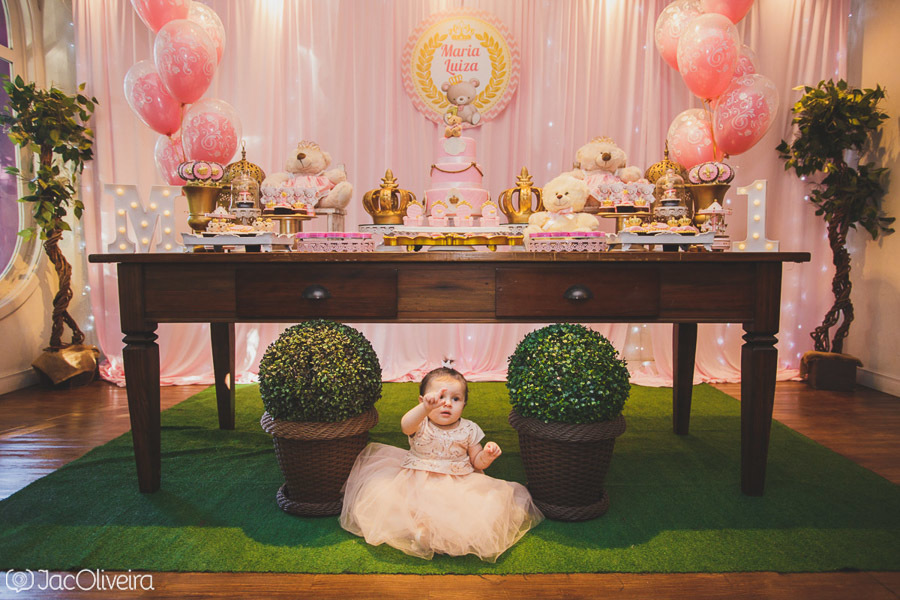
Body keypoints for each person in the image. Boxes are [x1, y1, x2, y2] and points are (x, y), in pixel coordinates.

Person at [339, 367, 543, 562]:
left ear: (464, 404)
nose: (447, 404)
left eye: (456, 399)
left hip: (458, 481)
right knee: (402, 504)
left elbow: (477, 461)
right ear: (423, 400)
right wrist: (425, 409)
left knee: (469, 509)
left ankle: (440, 536)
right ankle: (420, 531)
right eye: (439, 398)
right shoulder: (420, 423)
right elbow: (405, 426)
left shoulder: (469, 429)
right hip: (417, 480)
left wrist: (487, 455)